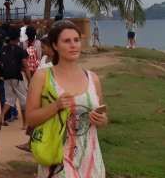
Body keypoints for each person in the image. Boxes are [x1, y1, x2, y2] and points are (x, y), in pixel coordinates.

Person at [26, 20, 108, 178]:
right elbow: (30, 119)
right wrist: (55, 106)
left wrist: (101, 119)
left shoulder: (93, 78)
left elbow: (103, 120)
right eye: (67, 41)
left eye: (76, 40)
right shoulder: (43, 76)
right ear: (55, 46)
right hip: (58, 160)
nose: (73, 45)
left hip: (91, 160)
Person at [0, 27, 30, 139]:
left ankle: (1, 117)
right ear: (18, 38)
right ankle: (25, 124)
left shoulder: (3, 49)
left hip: (6, 78)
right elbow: (25, 66)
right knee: (23, 100)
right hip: (17, 78)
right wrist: (30, 80)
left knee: (9, 100)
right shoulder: (20, 50)